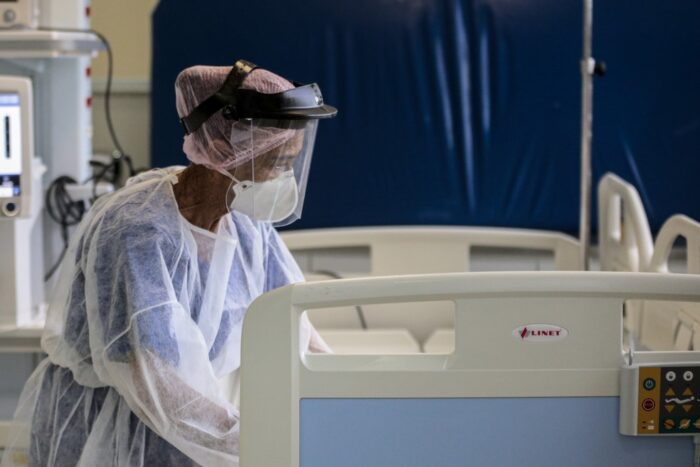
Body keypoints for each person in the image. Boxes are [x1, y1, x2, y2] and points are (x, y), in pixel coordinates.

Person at [0, 60, 337, 467]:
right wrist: (253, 439)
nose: (286, 180)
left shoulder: (246, 223)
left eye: (291, 164)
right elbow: (151, 376)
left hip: (185, 423)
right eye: (277, 163)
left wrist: (342, 390)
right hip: (109, 435)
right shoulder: (137, 229)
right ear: (220, 150)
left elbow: (291, 318)